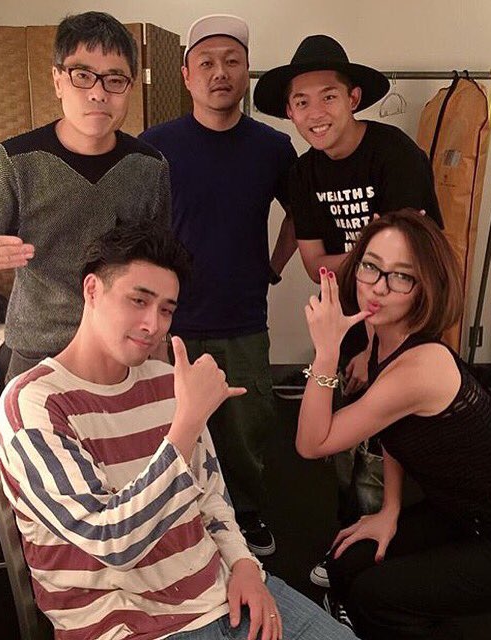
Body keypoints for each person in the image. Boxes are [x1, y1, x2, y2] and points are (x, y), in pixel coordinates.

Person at [0, 223, 357, 640]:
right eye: (138, 300)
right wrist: (187, 423)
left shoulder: (167, 382)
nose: (153, 324)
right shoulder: (36, 402)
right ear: (92, 290)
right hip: (128, 625)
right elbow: (113, 542)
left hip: (221, 588)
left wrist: (244, 565)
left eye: (166, 310)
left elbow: (212, 495)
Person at [295, 209, 491, 639]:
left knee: (374, 597)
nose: (378, 287)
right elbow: (395, 430)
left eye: (400, 276)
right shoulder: (382, 334)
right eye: (371, 266)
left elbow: (311, 443)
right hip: (461, 511)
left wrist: (325, 354)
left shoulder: (420, 368)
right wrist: (389, 509)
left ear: (424, 288)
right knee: (344, 564)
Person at [254, 35, 443, 584]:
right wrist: (372, 250)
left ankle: (389, 553)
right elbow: (318, 267)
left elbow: (404, 267)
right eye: (302, 102)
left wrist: (376, 347)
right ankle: (351, 536)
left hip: (408, 325)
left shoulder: (395, 154)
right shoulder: (304, 175)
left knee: (397, 439)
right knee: (345, 441)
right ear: (290, 112)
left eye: (329, 96)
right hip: (347, 325)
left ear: (354, 98)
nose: (316, 112)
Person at [140, 15, 298, 556]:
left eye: (232, 61)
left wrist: (274, 267)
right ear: (186, 76)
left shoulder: (273, 147)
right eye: (206, 63)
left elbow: (300, 213)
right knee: (171, 428)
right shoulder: (154, 147)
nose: (219, 73)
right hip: (171, 320)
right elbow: (138, 231)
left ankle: (247, 514)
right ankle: (179, 517)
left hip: (242, 315)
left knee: (245, 429)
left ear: (247, 71)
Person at [0, 11, 171, 381]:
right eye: (82, 75)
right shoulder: (16, 160)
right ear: (58, 80)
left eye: (114, 79)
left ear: (129, 86)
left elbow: (159, 268)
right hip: (38, 355)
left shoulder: (149, 166)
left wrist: (159, 343)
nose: (98, 93)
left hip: (123, 353)